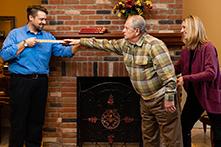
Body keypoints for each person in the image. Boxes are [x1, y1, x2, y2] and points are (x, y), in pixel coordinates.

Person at [65, 15, 183, 147]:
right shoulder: (126, 44)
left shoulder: (154, 46)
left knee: (172, 140)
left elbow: (169, 76)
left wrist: (169, 98)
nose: (123, 30)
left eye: (126, 28)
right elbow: (104, 44)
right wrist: (81, 42)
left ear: (137, 31)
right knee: (149, 138)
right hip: (145, 99)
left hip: (162, 99)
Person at [0, 5, 79, 147]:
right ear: (31, 17)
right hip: (20, 82)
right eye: (41, 19)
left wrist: (80, 44)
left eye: (45, 20)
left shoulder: (48, 37)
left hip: (41, 82)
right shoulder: (15, 34)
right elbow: (4, 55)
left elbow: (64, 52)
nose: (44, 22)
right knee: (18, 120)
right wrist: (24, 44)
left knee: (36, 120)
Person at [175, 15, 221, 147]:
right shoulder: (186, 50)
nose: (181, 30)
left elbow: (211, 73)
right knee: (183, 127)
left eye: (184, 27)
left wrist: (186, 78)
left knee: (219, 135)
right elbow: (177, 68)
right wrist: (159, 70)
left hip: (211, 96)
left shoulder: (208, 47)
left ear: (193, 28)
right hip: (195, 96)